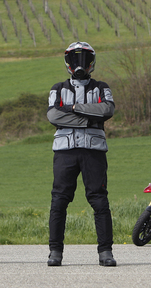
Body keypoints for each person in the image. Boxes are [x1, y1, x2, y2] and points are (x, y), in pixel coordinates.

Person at [46, 41, 116, 267]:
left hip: (93, 151)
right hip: (65, 152)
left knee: (99, 200)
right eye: (76, 60)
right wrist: (90, 118)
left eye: (84, 60)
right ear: (67, 63)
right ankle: (55, 252)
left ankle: (105, 252)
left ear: (91, 63)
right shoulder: (57, 88)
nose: (80, 65)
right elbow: (54, 116)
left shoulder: (102, 87)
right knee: (59, 201)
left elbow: (107, 110)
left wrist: (74, 108)